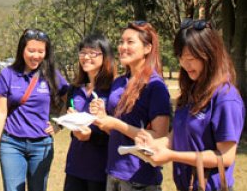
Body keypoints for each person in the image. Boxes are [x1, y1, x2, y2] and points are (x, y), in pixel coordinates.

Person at [136, 19, 245, 191]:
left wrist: (172, 156)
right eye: (181, 57)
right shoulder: (191, 91)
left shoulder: (226, 98)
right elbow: (177, 135)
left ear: (210, 55)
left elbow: (226, 157)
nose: (185, 64)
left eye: (191, 58)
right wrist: (155, 144)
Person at [90, 21, 171, 190]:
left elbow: (159, 137)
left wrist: (116, 124)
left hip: (139, 178)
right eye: (121, 41)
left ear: (147, 48)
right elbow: (114, 131)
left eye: (130, 42)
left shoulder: (155, 87)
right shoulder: (119, 82)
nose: (122, 47)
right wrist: (103, 118)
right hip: (113, 172)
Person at [0, 28, 69, 191]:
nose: (36, 56)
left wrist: (59, 124)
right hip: (11, 144)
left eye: (41, 51)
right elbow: (1, 112)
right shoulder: (7, 74)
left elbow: (71, 100)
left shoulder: (51, 75)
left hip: (41, 145)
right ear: (22, 49)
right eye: (31, 50)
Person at [63, 34, 116, 191]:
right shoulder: (75, 88)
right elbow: (74, 132)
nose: (86, 57)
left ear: (105, 56)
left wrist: (92, 136)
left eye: (93, 53)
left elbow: (118, 132)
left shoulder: (114, 89)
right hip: (75, 165)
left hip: (101, 168)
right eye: (82, 52)